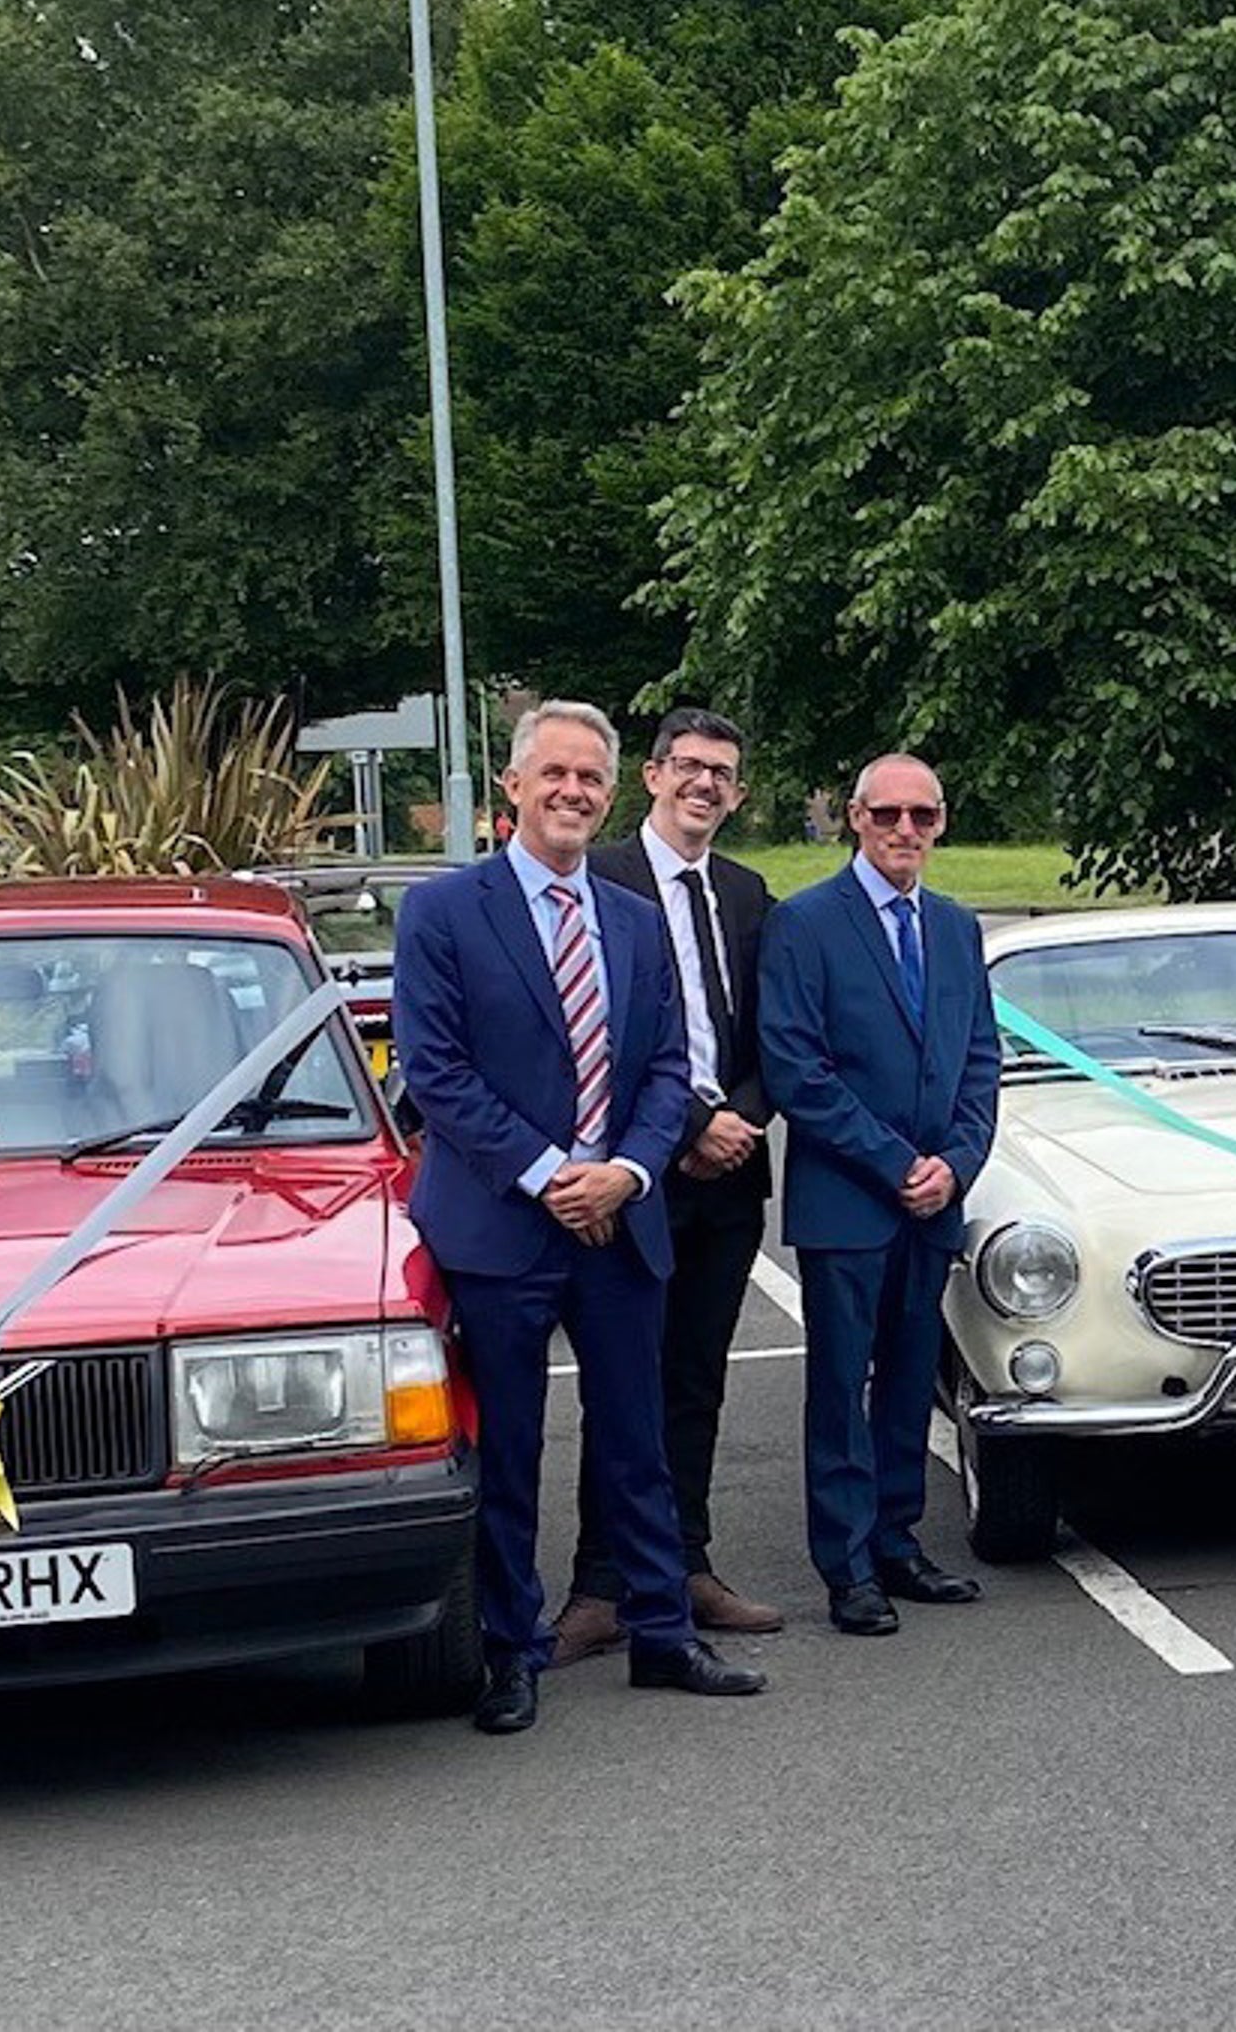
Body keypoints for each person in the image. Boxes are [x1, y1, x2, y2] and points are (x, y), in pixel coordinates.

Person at [393, 701, 767, 1734]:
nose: (572, 792)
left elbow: (663, 1070)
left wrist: (632, 1174)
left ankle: (661, 1633)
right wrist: (557, 1173)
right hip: (503, 1225)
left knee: (636, 1438)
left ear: (611, 792)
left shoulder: (632, 920)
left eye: (589, 778)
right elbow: (438, 1073)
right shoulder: (443, 914)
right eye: (552, 774)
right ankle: (511, 1653)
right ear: (511, 788)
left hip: (621, 1218)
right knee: (511, 1448)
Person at [552, 708, 783, 1656]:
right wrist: (688, 1125)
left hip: (729, 1183)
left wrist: (743, 1119)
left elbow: (774, 1030)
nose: (705, 785)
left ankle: (686, 1565)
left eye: (722, 772)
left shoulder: (746, 890)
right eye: (689, 767)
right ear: (651, 777)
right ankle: (600, 1586)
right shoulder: (600, 877)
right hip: (634, 1174)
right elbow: (598, 1035)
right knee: (621, 1382)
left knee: (695, 1382)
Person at [758, 752, 1003, 1635]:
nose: (906, 831)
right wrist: (898, 1163)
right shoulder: (806, 923)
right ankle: (847, 1563)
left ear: (941, 823)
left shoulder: (956, 926)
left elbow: (980, 1059)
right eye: (888, 814)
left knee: (909, 1381)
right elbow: (797, 1069)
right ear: (856, 818)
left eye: (923, 817)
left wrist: (957, 1164)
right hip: (850, 1202)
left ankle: (898, 1542)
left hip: (935, 1202)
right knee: (840, 1387)